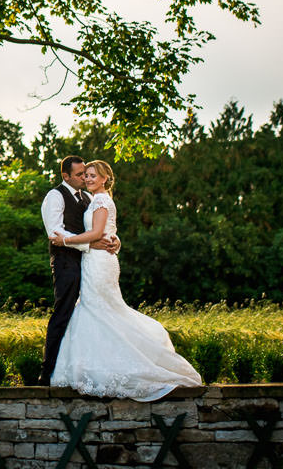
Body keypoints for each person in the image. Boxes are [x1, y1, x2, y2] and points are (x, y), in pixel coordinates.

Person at [48, 159, 202, 400]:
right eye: (85, 175)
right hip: (93, 261)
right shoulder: (89, 199)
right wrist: (115, 240)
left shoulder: (99, 200)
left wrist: (67, 240)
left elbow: (98, 233)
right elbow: (107, 231)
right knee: (97, 311)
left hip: (98, 263)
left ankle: (117, 364)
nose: (87, 179)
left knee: (103, 310)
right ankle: (97, 366)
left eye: (92, 176)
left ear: (104, 179)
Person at [39, 155, 119, 386]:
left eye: (87, 173)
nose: (85, 178)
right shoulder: (54, 197)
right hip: (65, 262)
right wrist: (91, 244)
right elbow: (55, 234)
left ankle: (86, 367)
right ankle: (47, 372)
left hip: (89, 262)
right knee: (63, 312)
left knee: (89, 314)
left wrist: (115, 241)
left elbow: (102, 228)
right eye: (80, 175)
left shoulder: (89, 197)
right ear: (65, 176)